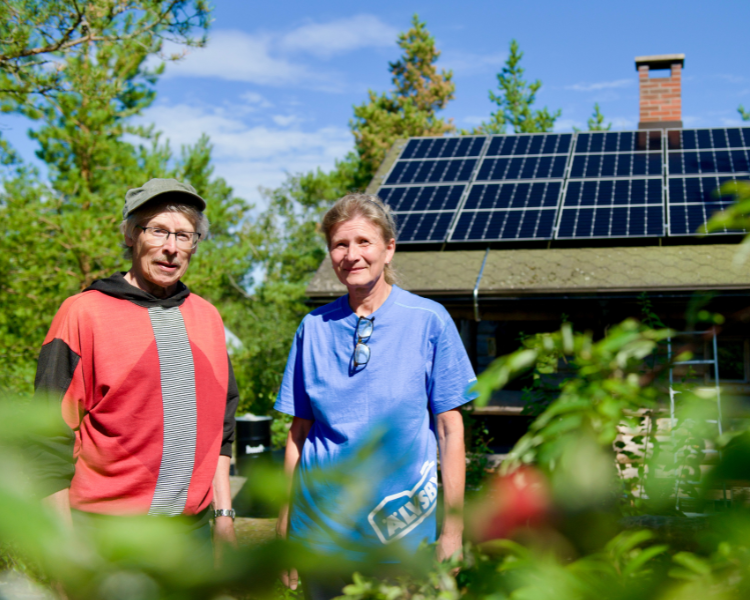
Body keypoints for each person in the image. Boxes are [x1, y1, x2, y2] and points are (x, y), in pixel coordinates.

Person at [275, 193, 477, 598]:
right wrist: (284, 525)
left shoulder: (429, 321)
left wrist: (452, 532)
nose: (352, 254)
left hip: (401, 535)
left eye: (364, 242)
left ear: (389, 249)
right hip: (320, 534)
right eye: (340, 244)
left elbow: (450, 431)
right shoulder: (313, 327)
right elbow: (298, 433)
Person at [30, 178, 239, 550]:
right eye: (157, 231)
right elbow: (47, 441)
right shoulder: (83, 314)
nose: (171, 248)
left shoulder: (208, 318)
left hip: (193, 538)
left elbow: (221, 430)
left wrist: (223, 517)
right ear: (129, 234)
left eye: (184, 235)